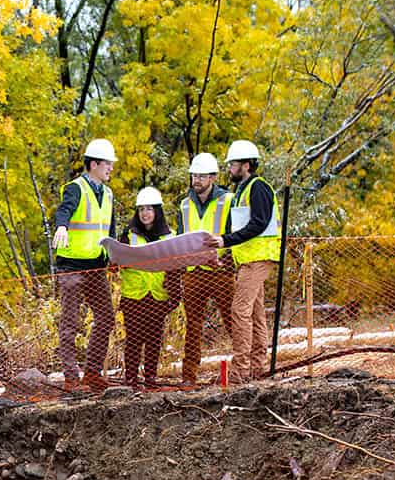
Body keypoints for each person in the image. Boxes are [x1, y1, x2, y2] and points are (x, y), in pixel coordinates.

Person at [211, 140, 280, 385]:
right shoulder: (242, 190)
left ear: (247, 165)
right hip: (247, 259)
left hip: (258, 258)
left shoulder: (258, 187)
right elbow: (242, 227)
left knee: (239, 311)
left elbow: (258, 224)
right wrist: (228, 252)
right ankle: (257, 368)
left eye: (233, 164)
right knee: (255, 313)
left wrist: (225, 241)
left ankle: (241, 370)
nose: (230, 168)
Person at [52, 139, 118, 392]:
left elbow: (108, 229)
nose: (111, 167)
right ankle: (71, 378)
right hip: (72, 267)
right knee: (70, 322)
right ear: (94, 164)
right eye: (107, 163)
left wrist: (113, 254)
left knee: (105, 317)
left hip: (96, 266)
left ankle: (92, 372)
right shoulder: (75, 188)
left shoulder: (108, 194)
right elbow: (64, 210)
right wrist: (61, 226)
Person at [177, 152, 235, 387]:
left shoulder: (228, 200)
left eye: (201, 175)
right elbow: (181, 240)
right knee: (193, 325)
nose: (196, 180)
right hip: (193, 273)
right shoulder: (184, 204)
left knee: (233, 320)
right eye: (194, 175)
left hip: (221, 272)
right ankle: (189, 375)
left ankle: (247, 366)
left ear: (213, 177)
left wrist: (228, 263)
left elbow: (235, 235)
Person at [118, 187, 181, 389]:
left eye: (150, 209)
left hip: (158, 296)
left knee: (154, 339)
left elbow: (175, 267)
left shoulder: (170, 236)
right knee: (134, 339)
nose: (145, 213)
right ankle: (131, 379)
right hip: (134, 296)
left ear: (157, 211)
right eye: (141, 209)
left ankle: (151, 378)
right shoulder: (128, 235)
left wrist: (174, 293)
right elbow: (116, 261)